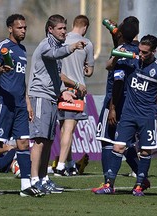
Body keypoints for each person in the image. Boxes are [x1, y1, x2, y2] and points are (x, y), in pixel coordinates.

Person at [94, 34, 157, 196]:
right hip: (128, 114)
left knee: (145, 151)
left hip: (147, 116)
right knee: (118, 146)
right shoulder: (132, 60)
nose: (141, 55)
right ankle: (109, 184)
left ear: (154, 51)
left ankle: (139, 185)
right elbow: (109, 67)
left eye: (145, 53)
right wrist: (115, 55)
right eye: (140, 51)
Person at [27, 14, 86, 194]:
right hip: (39, 96)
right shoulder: (47, 45)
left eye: (64, 28)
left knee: (49, 140)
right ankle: (34, 179)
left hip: (52, 97)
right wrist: (73, 47)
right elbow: (55, 54)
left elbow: (54, 75)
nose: (64, 31)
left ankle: (44, 178)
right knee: (39, 140)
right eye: (60, 28)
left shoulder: (58, 46)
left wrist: (63, 91)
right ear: (50, 30)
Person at [0, 14, 44, 197]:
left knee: (23, 143)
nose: (23, 31)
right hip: (3, 103)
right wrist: (1, 69)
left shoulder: (22, 49)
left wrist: (27, 103)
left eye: (25, 28)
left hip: (20, 104)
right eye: (20, 28)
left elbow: (22, 81)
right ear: (10, 28)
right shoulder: (3, 47)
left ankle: (25, 187)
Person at [94, 16, 148, 191]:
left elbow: (118, 82)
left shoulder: (121, 51)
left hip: (115, 100)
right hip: (133, 103)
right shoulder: (137, 49)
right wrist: (112, 28)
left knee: (107, 141)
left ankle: (108, 183)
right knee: (126, 143)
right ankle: (141, 176)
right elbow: (115, 31)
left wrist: (112, 108)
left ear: (121, 31)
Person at [53, 15, 94, 176]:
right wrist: (84, 68)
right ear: (85, 27)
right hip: (75, 91)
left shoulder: (61, 39)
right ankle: (61, 166)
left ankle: (69, 164)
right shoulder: (87, 43)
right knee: (69, 130)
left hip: (60, 90)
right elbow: (89, 72)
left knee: (64, 129)